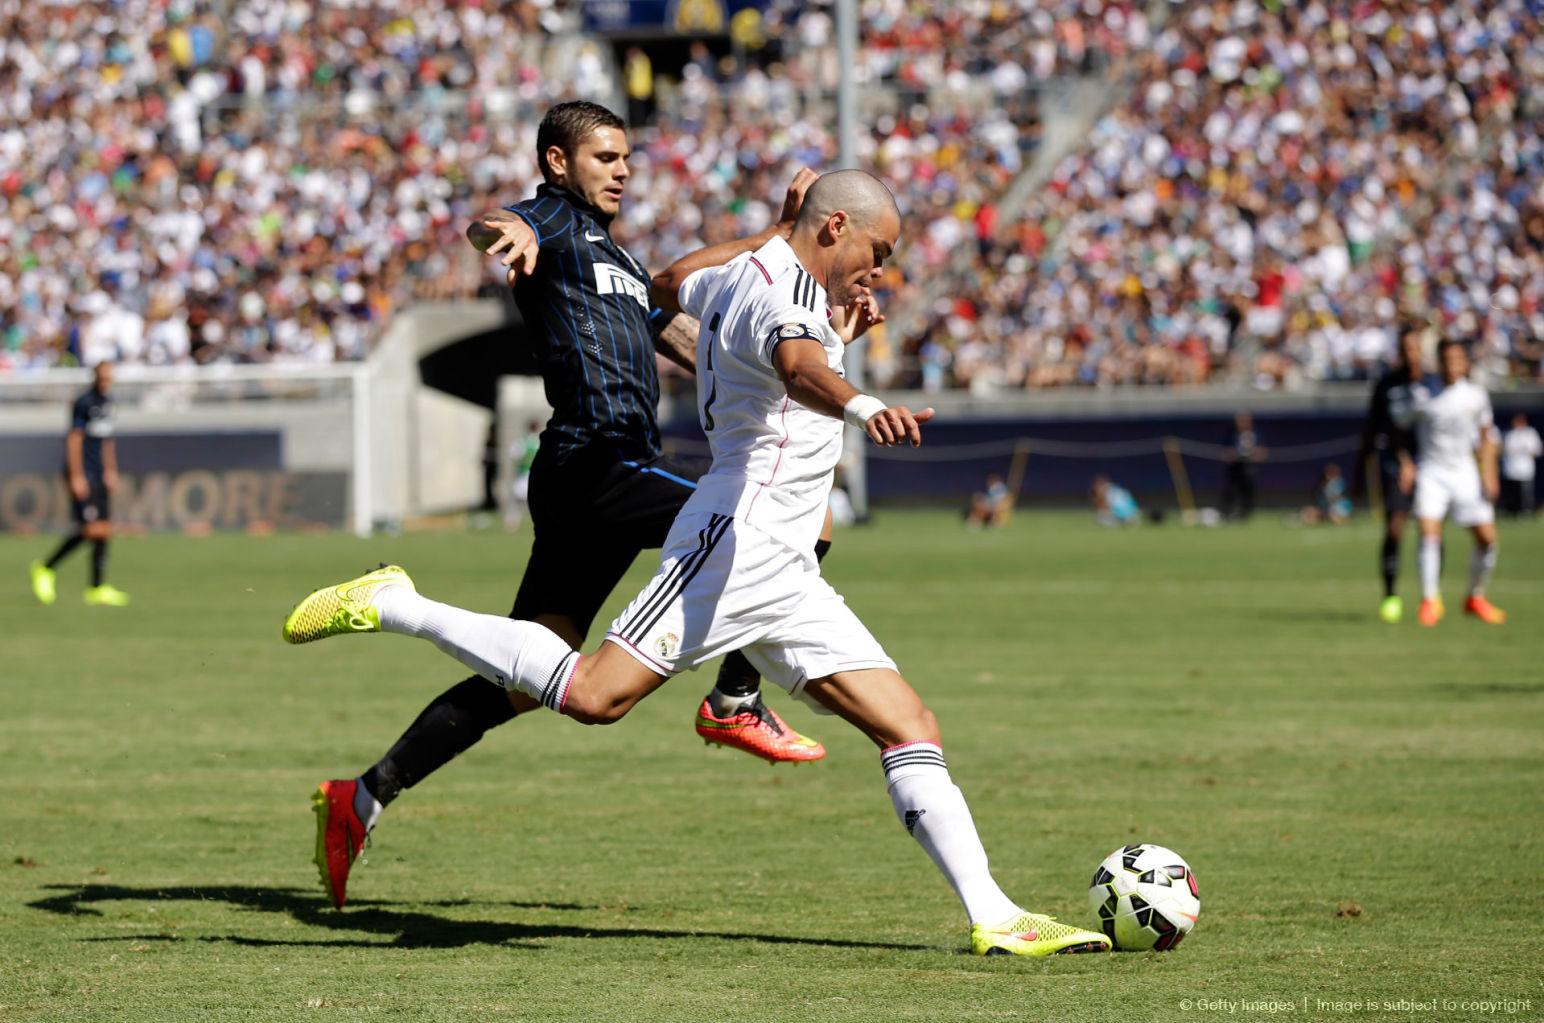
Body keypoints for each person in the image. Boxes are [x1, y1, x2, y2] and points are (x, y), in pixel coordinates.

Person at [283, 170, 1112, 958]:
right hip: (738, 536)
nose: (880, 270)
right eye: (880, 251)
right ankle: (400, 602)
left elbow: (676, 280)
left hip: (784, 564)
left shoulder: (746, 273)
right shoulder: (786, 291)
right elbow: (796, 365)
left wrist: (829, 314)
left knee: (908, 725)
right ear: (835, 227)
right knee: (595, 695)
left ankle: (995, 916)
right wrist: (864, 402)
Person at [308, 102, 830, 911]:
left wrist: (779, 252)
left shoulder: (616, 255)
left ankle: (362, 796)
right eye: (605, 157)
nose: (622, 169)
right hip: (598, 459)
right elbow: (499, 225)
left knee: (527, 675)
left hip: (594, 474)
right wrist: (502, 234)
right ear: (559, 162)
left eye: (627, 157)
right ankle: (734, 698)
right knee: (794, 524)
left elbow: (690, 339)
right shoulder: (549, 220)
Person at [1393, 340, 1506, 627]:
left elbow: (1486, 436)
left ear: (1465, 362)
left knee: (1487, 539)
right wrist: (1405, 462)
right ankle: (1430, 600)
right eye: (1446, 360)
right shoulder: (1422, 394)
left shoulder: (1475, 395)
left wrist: (1489, 474)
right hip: (1432, 471)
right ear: (1439, 362)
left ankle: (1475, 597)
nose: (1452, 365)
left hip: (1466, 472)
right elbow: (1400, 431)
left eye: (1457, 359)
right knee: (1429, 532)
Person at [29, 362, 130, 607]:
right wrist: (76, 475)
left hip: (100, 472)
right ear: (96, 377)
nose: (106, 381)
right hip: (84, 472)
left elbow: (107, 440)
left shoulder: (108, 403)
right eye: (103, 377)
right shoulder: (84, 403)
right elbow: (74, 439)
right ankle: (45, 567)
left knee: (104, 529)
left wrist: (110, 469)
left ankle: (97, 587)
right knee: (89, 529)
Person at [1355, 325, 1433, 623]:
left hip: (1432, 464)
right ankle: (1390, 594)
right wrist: (1360, 475)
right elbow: (1372, 429)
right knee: (1395, 528)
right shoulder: (1387, 385)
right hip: (1394, 464)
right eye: (1406, 349)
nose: (1411, 355)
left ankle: (1430, 597)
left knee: (1430, 529)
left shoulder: (1433, 383)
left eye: (1416, 349)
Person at [1219, 411, 1265, 521]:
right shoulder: (1232, 433)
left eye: (1245, 420)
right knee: (1231, 489)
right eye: (1240, 421)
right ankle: (1227, 511)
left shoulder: (1256, 433)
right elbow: (1225, 452)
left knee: (1247, 490)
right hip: (1235, 466)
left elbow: (1262, 452)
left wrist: (1252, 454)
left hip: (1249, 467)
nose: (1242, 423)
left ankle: (1246, 512)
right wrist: (1233, 455)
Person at [1500, 413, 1540, 518]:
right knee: (1511, 492)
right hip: (1510, 468)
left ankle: (1525, 511)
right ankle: (1511, 511)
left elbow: (1537, 451)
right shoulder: (1509, 434)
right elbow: (1502, 449)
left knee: (1525, 492)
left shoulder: (1530, 433)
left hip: (1525, 469)